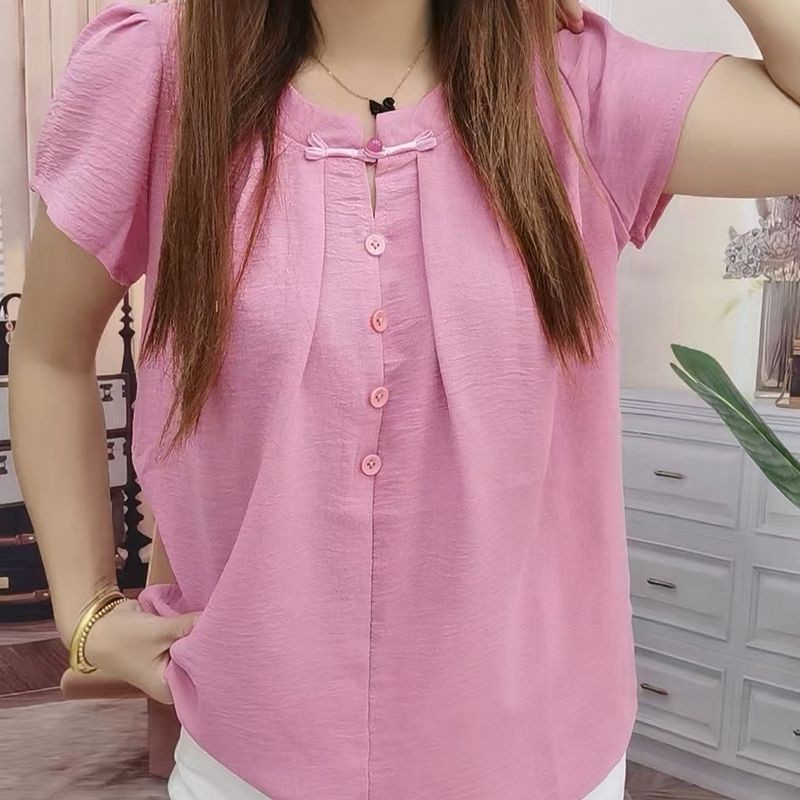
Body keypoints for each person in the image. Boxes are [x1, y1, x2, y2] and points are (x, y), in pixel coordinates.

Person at [9, 1, 800, 798]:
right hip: (251, 756)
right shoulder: (157, 71)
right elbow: (48, 352)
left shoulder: (580, 86)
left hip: (545, 758)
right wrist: (85, 612)